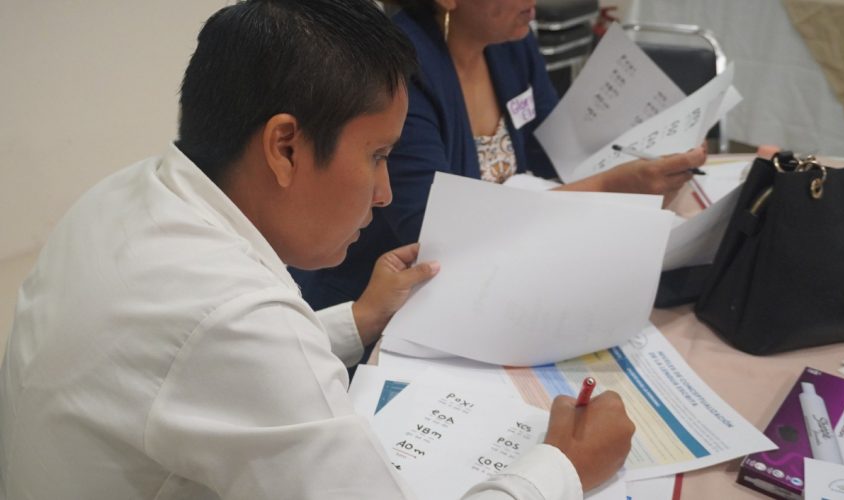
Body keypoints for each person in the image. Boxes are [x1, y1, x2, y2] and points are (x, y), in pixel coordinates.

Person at [0, 1, 635, 499]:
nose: (385, 193)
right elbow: (234, 344)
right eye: (377, 156)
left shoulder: (126, 192)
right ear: (285, 147)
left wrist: (358, 319)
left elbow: (201, 366)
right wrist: (564, 467)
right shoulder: (237, 319)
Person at [290, 0, 708, 313]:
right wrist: (610, 185)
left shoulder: (510, 44)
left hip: (500, 274)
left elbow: (551, 156)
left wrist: (638, 156)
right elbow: (435, 230)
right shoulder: (399, 70)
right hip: (389, 303)